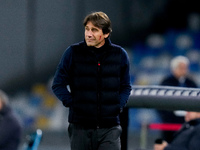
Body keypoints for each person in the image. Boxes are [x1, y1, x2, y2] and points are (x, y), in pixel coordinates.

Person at [52, 11, 132, 150]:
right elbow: (58, 84)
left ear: (106, 33)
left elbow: (125, 87)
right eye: (87, 29)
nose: (89, 34)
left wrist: (118, 106)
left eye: (94, 30)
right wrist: (73, 104)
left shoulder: (120, 55)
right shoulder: (72, 53)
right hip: (80, 129)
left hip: (110, 128)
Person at [158, 56, 198, 143]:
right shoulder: (166, 83)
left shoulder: (191, 82)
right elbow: (159, 103)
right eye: (181, 68)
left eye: (185, 68)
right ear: (174, 68)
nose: (184, 70)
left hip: (188, 123)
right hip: (170, 124)